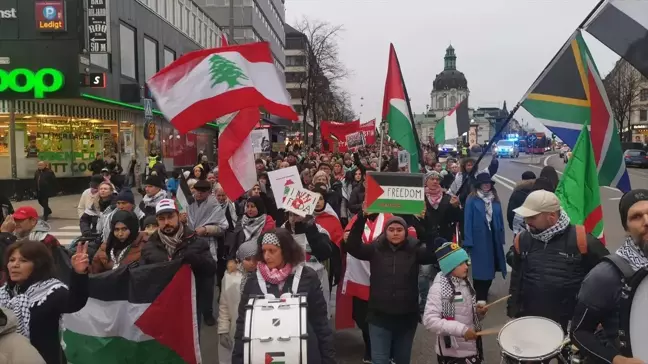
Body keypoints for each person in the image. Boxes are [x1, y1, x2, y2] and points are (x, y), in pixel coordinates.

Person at [508, 190, 608, 332]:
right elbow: (517, 278)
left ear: (552, 216)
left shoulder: (582, 240)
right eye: (526, 217)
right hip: (531, 320)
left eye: (532, 217)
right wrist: (513, 311)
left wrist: (602, 317)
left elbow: (607, 281)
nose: (527, 222)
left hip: (570, 324)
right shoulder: (522, 240)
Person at [232, 230, 336, 364]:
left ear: (286, 251)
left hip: (304, 354)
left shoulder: (307, 277)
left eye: (272, 251)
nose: (267, 256)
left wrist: (328, 360)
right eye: (263, 251)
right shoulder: (253, 281)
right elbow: (243, 325)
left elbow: (320, 323)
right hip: (263, 354)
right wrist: (238, 359)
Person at [346, 214, 436, 364]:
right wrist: (362, 218)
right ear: (385, 232)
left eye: (399, 229)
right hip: (379, 317)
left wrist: (423, 221)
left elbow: (433, 252)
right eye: (391, 229)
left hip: (406, 318)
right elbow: (352, 247)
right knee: (379, 360)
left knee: (402, 360)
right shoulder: (374, 249)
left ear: (406, 232)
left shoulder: (415, 250)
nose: (395, 233)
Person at [571, 189, 648, 364]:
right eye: (636, 217)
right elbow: (579, 332)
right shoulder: (606, 275)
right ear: (626, 228)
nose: (647, 221)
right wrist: (617, 360)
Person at [0, 241, 89, 364]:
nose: (15, 265)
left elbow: (75, 302)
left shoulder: (50, 291)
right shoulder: (4, 293)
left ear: (38, 265)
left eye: (23, 261)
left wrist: (79, 273)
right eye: (11, 260)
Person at [139, 199, 217, 329]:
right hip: (163, 303)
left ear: (179, 216)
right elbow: (144, 275)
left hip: (190, 304)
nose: (167, 223)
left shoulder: (196, 242)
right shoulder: (149, 247)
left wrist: (195, 259)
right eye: (162, 219)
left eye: (170, 217)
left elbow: (211, 269)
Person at [423, 242, 488, 364]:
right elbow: (430, 320)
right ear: (450, 266)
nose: (466, 266)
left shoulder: (465, 283)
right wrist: (462, 330)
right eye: (461, 263)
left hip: (472, 347)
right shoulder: (439, 288)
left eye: (466, 261)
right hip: (452, 353)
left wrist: (478, 313)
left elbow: (466, 314)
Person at [187, 179, 229, 326]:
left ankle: (208, 312)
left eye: (202, 192)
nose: (198, 194)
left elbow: (223, 227)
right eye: (196, 191)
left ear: (208, 193)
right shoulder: (188, 203)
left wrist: (206, 230)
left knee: (207, 283)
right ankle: (191, 311)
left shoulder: (214, 205)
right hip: (188, 247)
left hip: (207, 248)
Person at [463, 173, 507, 302]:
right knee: (480, 269)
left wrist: (501, 236)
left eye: (489, 183)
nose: (487, 185)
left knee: (491, 267)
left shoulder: (495, 199)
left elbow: (499, 219)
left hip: (493, 237)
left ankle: (484, 292)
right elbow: (468, 220)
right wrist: (468, 241)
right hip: (479, 239)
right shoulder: (472, 199)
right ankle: (479, 295)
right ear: (479, 185)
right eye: (484, 183)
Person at [217, 241, 256, 364]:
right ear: (239, 260)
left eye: (255, 259)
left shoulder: (265, 277)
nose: (252, 263)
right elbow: (224, 305)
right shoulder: (230, 277)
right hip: (236, 329)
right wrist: (223, 330)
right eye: (247, 259)